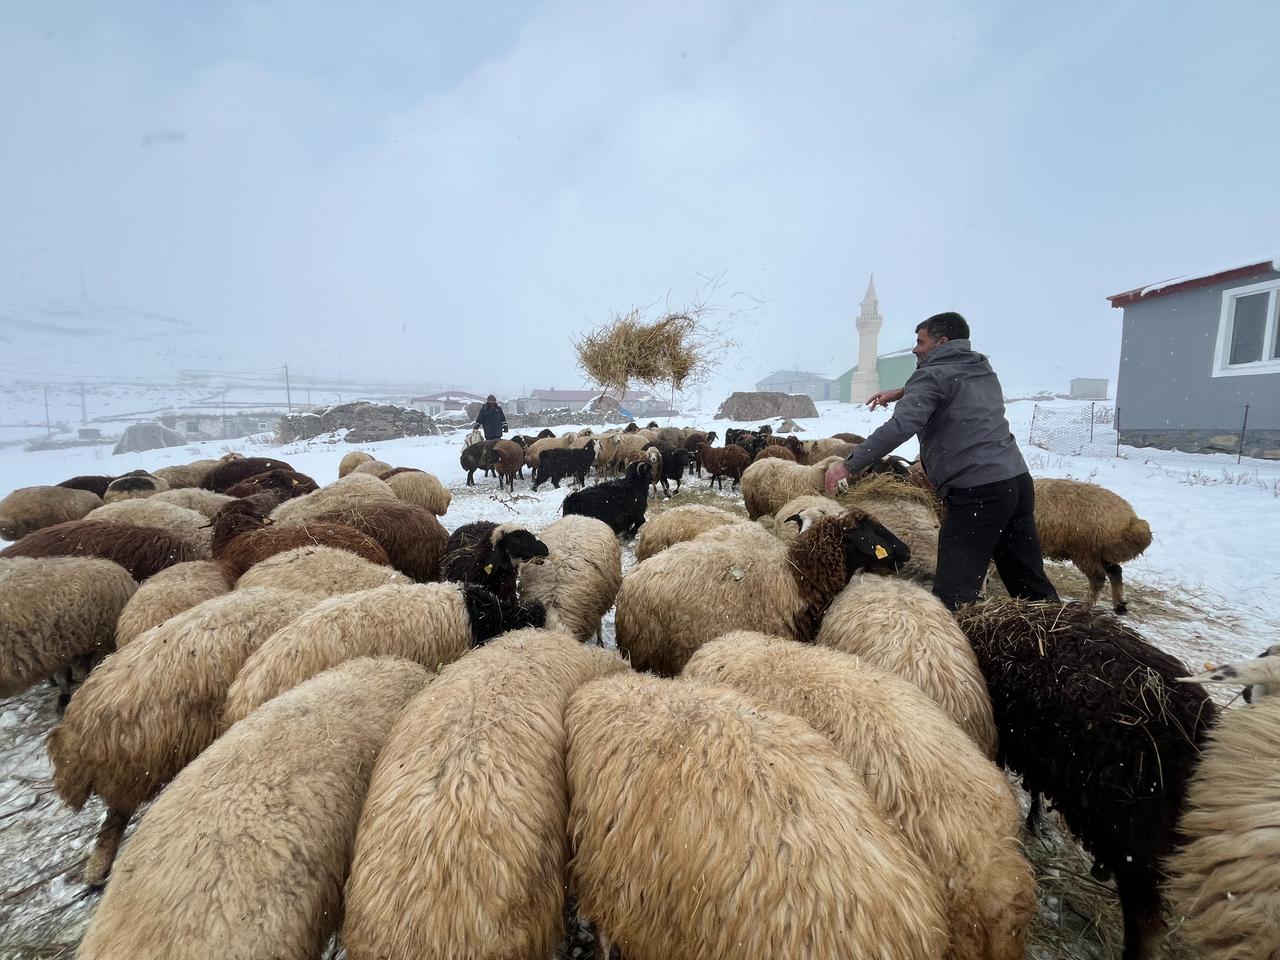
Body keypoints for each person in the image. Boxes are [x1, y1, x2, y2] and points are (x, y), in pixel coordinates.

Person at [825, 312, 1058, 611]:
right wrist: (904, 392)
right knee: (1028, 580)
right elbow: (953, 384)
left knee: (953, 594)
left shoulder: (931, 375)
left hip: (977, 491)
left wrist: (850, 463)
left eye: (921, 342)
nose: (915, 349)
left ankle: (948, 652)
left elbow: (901, 427)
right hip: (1015, 482)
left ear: (942, 342)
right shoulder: (981, 367)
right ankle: (1062, 640)